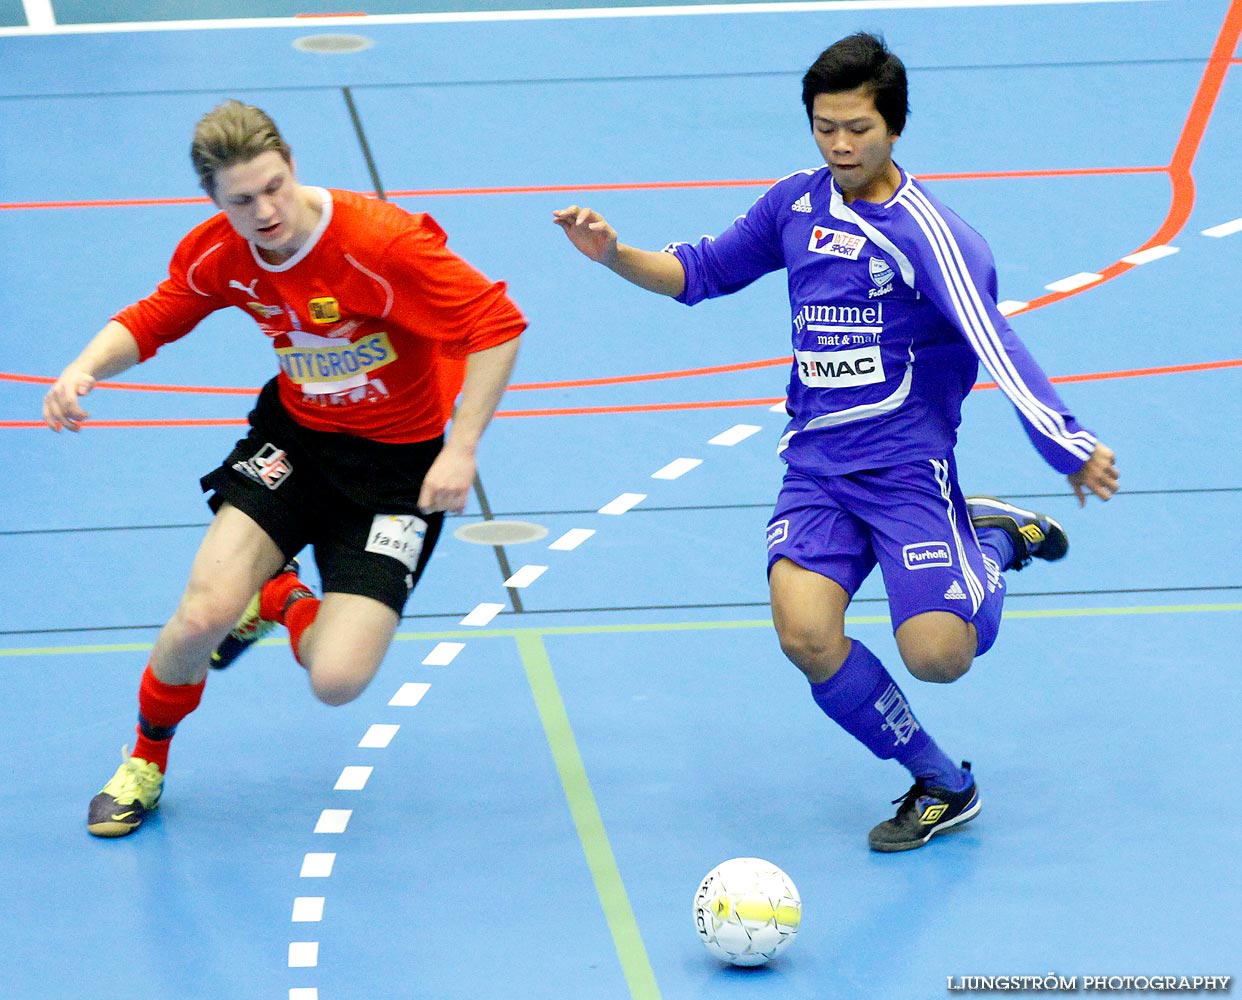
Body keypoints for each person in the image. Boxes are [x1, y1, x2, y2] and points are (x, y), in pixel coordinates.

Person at [554, 33, 1118, 852]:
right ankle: (941, 784)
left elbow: (996, 342)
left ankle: (988, 540)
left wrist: (1067, 443)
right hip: (817, 467)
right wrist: (614, 256)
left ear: (893, 127)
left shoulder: (932, 235)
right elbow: (703, 271)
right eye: (824, 128)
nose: (840, 145)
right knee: (805, 634)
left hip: (904, 469)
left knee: (938, 657)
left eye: (856, 128)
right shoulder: (795, 205)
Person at [44, 100, 526, 838]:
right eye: (241, 200)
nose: (265, 210)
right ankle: (144, 758)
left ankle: (281, 600)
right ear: (215, 200)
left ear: (293, 164)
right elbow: (156, 316)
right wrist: (83, 368)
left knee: (335, 680)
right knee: (201, 615)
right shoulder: (222, 254)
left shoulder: (380, 244)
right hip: (296, 445)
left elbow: (496, 323)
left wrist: (461, 449)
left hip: (398, 476)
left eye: (274, 186)